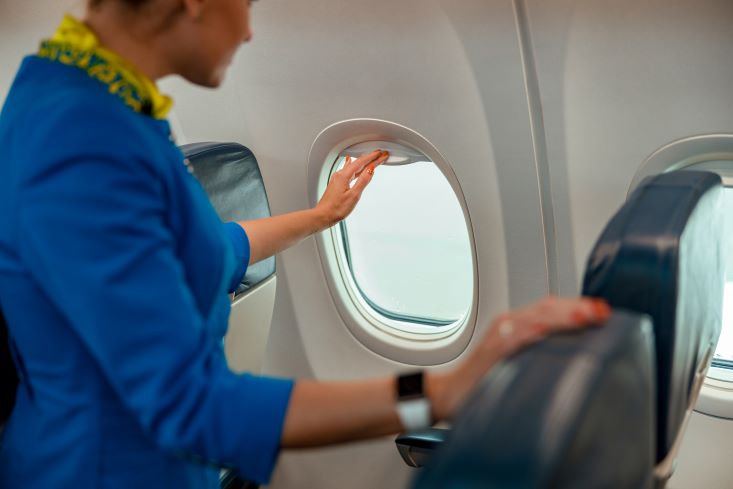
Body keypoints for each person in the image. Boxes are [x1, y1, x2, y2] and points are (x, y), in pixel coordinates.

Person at [0, 1, 611, 488]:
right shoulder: (78, 142)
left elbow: (210, 249)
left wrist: (322, 216)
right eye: (248, 1)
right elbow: (192, 405)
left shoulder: (107, 111)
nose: (248, 31)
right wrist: (441, 393)